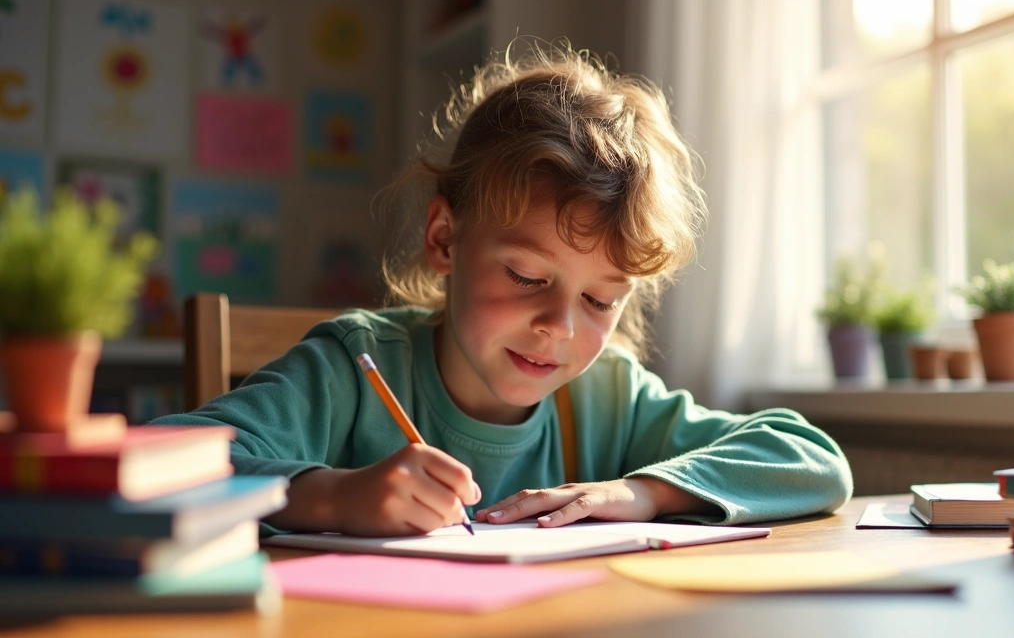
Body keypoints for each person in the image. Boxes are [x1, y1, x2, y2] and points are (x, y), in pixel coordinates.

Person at [154, 42, 852, 536]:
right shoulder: (351, 371)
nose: (560, 326)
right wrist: (332, 498)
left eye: (601, 300)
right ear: (445, 240)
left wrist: (638, 492)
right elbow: (154, 462)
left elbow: (811, 459)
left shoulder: (605, 395)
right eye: (526, 277)